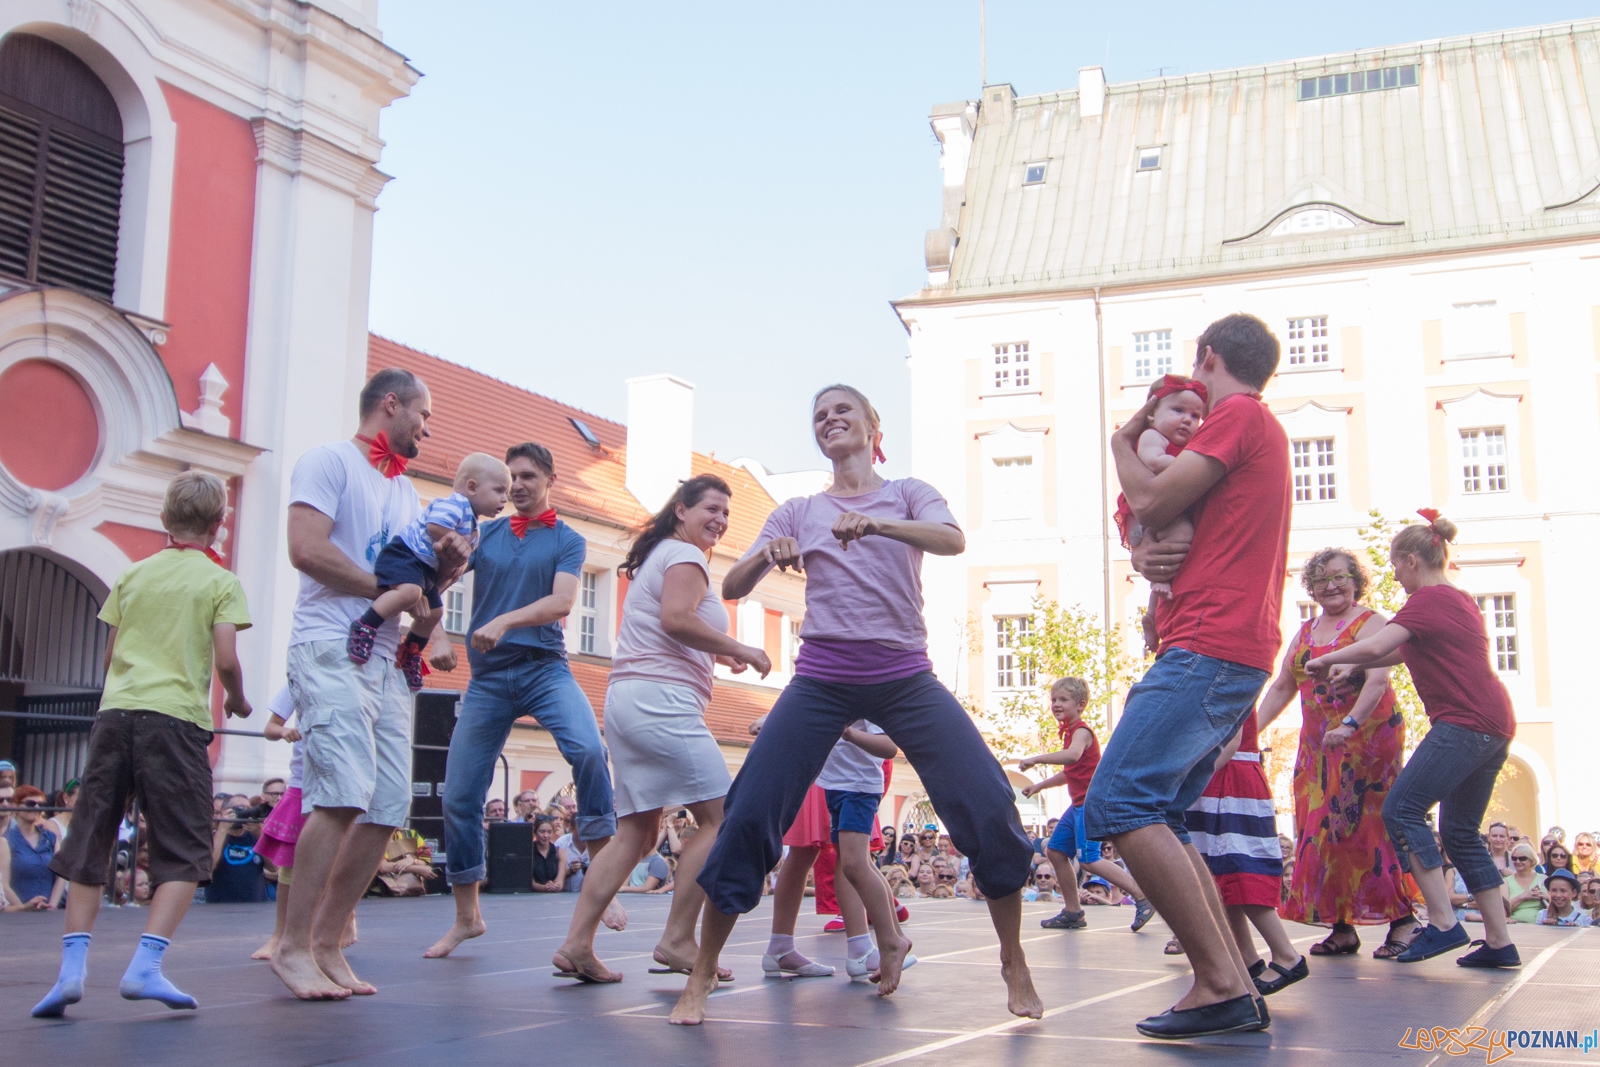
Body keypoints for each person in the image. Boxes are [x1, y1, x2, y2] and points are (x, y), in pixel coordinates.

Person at [670, 383, 1041, 1026]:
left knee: (986, 800)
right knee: (749, 811)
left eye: (843, 410)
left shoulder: (908, 493)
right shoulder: (798, 510)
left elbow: (951, 539)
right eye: (819, 415)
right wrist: (768, 554)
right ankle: (701, 972)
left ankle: (1013, 959)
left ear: (873, 427)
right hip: (822, 680)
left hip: (904, 676)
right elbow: (732, 583)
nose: (830, 419)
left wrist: (877, 524)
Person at [1086, 313, 1289, 1039]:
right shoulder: (1252, 427)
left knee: (1119, 799)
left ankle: (1222, 983)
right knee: (1163, 814)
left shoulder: (1239, 415)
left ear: (1207, 358)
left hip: (1211, 641)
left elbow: (1150, 499)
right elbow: (1163, 524)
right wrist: (1143, 557)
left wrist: (1120, 442)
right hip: (1220, 640)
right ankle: (1233, 977)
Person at [31, 470, 252, 1017]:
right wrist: (238, 700)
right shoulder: (220, 581)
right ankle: (145, 966)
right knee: (186, 848)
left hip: (116, 715)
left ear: (164, 518)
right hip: (174, 720)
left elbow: (111, 657)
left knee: (91, 837)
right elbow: (225, 659)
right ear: (219, 524)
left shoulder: (132, 574)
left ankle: (71, 972)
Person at [275, 367, 464, 1001]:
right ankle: (291, 945)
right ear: (391, 404)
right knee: (339, 796)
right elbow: (306, 550)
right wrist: (387, 590)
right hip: (330, 644)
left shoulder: (405, 491)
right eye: (424, 415)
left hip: (383, 659)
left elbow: (417, 589)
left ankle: (328, 942)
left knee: (386, 806)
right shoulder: (328, 461)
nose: (428, 428)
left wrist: (445, 575)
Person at [550, 475, 770, 983]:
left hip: (629, 698)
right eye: (712, 508)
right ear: (681, 511)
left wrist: (717, 653)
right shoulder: (685, 556)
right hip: (661, 702)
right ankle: (677, 939)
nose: (720, 519)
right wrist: (739, 647)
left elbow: (667, 627)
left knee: (637, 831)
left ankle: (576, 944)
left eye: (726, 513)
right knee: (722, 819)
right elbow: (675, 619)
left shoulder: (662, 555)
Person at [424, 441, 620, 959]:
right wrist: (436, 635)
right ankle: (468, 917)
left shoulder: (567, 539)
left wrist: (505, 621)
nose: (517, 485)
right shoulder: (484, 533)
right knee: (459, 796)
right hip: (488, 679)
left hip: (544, 669)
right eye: (511, 477)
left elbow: (562, 601)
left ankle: (603, 879)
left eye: (528, 475)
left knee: (589, 750)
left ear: (550, 479)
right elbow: (428, 581)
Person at [1307, 510, 1520, 968]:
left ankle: (1443, 923)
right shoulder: (1457, 599)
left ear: (1411, 560)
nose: (1395, 576)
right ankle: (1500, 943)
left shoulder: (1428, 599)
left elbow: (1376, 643)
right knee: (1459, 833)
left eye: (1395, 566)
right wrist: (1355, 666)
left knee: (1401, 809)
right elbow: (1402, 651)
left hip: (1465, 722)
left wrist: (1327, 659)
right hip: (1493, 722)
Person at [1256, 547, 1417, 958]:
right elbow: (1283, 685)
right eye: (1321, 579)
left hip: (1366, 740)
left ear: (1356, 582)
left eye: (1339, 577)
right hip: (1318, 746)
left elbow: (1378, 680)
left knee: (1364, 827)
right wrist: (1249, 732)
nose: (1331, 586)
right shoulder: (1306, 631)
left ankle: (1403, 921)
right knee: (1321, 828)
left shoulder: (1371, 622)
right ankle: (1341, 926)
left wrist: (1349, 725)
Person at [347, 452, 510, 690]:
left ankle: (411, 650)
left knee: (435, 611)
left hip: (425, 567)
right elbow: (435, 525)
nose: (505, 499)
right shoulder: (456, 504)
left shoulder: (474, 522)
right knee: (410, 593)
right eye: (499, 491)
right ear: (472, 487)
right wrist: (454, 539)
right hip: (405, 555)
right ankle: (365, 625)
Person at [1018, 677, 1154, 932]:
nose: (1056, 704)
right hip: (1077, 806)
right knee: (1056, 852)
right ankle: (1073, 911)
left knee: (1090, 860)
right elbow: (1071, 771)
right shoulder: (1069, 732)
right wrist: (1040, 786)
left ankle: (1143, 896)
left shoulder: (1081, 732)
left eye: (1063, 700)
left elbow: (1072, 756)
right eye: (1053, 700)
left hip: (1090, 805)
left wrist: (1036, 759)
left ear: (1080, 705)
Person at [1188, 714, 1308, 997]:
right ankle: (1247, 957)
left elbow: (1233, 737)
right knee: (1217, 877)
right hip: (1211, 777)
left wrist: (1192, 776)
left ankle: (1286, 955)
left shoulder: (1225, 682)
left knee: (1242, 869)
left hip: (1230, 777)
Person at [815, 720, 914, 983]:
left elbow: (889, 747)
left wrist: (848, 733)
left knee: (854, 865)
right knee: (855, 864)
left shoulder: (865, 704)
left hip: (859, 788)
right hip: (835, 786)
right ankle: (891, 938)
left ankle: (891, 941)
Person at [1113, 375, 1208, 598]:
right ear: (1152, 414)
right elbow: (1153, 461)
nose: (1186, 420)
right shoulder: (1153, 436)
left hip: (1164, 507)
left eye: (1195, 416)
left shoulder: (1181, 444)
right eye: (1178, 410)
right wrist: (1188, 466)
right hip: (1147, 509)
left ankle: (1154, 606)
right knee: (1182, 536)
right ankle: (1160, 580)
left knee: (1168, 553)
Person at [253, 687, 307, 960]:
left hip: (343, 779)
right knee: (290, 862)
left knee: (337, 860)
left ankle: (339, 925)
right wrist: (285, 731)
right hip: (304, 780)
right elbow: (270, 728)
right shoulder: (298, 679)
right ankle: (280, 935)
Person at [5, 786, 64, 909]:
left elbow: (61, 877)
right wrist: (23, 907)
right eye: (30, 804)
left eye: (41, 804)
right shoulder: (6, 840)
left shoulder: (51, 838)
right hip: (17, 913)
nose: (36, 808)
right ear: (15, 806)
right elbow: (3, 884)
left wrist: (51, 906)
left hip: (47, 912)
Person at [208, 801, 268, 903]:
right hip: (219, 906)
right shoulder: (214, 837)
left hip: (256, 906)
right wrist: (222, 829)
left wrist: (260, 835)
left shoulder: (255, 836)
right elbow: (208, 867)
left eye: (247, 808)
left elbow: (274, 867)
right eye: (237, 809)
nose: (242, 812)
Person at [1503, 843, 1545, 923]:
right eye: (1514, 858)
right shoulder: (1506, 882)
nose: (1517, 861)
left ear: (1531, 860)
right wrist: (1523, 896)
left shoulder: (1543, 879)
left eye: (1522, 858)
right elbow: (1503, 909)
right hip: (1515, 924)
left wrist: (1545, 896)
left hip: (1540, 924)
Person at [529, 817, 568, 892]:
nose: (546, 836)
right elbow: (530, 882)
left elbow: (560, 880)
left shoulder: (560, 852)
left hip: (553, 895)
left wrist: (555, 885)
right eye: (542, 832)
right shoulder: (528, 852)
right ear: (535, 831)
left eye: (549, 832)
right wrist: (544, 887)